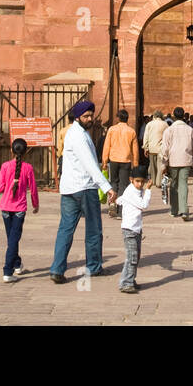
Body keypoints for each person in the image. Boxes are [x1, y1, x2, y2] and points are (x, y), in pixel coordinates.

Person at [49, 100, 116, 283]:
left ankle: (57, 269)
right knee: (93, 230)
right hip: (84, 188)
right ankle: (93, 267)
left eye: (90, 115)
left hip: (70, 188)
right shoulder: (79, 136)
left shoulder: (75, 133)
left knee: (65, 229)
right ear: (77, 117)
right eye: (86, 116)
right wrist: (107, 187)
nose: (89, 118)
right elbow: (90, 165)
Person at [0, 137, 40, 281]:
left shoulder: (5, 166)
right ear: (26, 151)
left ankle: (17, 264)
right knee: (13, 239)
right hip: (19, 208)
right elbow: (33, 189)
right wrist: (35, 204)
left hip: (5, 207)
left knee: (12, 238)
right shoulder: (28, 168)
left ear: (11, 150)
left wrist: (9, 186)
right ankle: (8, 272)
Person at [160, 105, 193, 220]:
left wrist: (164, 162)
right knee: (183, 184)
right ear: (183, 116)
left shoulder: (169, 130)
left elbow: (165, 148)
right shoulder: (190, 130)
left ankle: (174, 210)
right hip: (185, 159)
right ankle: (184, 210)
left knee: (174, 185)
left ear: (174, 116)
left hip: (173, 160)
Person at [117, 163, 151, 294]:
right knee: (132, 257)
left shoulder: (136, 190)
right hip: (129, 229)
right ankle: (125, 283)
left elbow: (122, 199)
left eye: (142, 182)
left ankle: (131, 279)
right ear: (131, 180)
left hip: (137, 229)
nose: (140, 184)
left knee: (135, 257)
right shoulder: (131, 191)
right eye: (137, 181)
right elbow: (143, 205)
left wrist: (118, 200)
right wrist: (148, 191)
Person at [102, 108, 140, 218]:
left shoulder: (112, 130)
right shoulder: (131, 131)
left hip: (113, 159)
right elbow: (135, 150)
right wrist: (136, 164)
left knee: (114, 182)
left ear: (118, 118)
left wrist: (104, 161)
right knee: (123, 184)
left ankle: (113, 204)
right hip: (126, 160)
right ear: (127, 119)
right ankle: (121, 210)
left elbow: (106, 146)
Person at [143, 110, 168, 187]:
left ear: (154, 116)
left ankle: (153, 181)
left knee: (153, 166)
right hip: (161, 148)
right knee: (160, 166)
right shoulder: (165, 124)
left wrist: (145, 148)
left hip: (152, 148)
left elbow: (146, 136)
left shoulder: (149, 124)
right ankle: (159, 182)